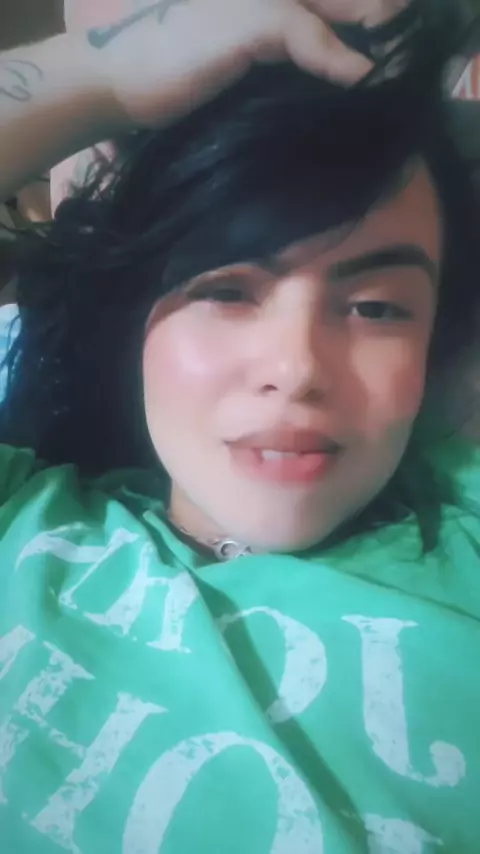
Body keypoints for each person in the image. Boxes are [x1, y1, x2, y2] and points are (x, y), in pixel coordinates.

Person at [0, 1, 479, 851]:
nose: (296, 368)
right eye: (224, 291)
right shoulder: (21, 521)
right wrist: (102, 75)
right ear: (134, 324)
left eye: (376, 307)